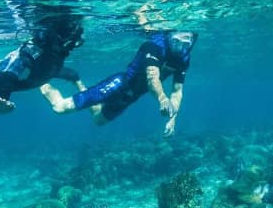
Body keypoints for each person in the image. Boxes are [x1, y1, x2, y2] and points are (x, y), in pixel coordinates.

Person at [40, 30, 196, 137]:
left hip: (131, 96)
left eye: (186, 43)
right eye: (176, 41)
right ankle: (40, 79)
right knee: (59, 108)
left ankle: (76, 80)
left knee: (98, 120)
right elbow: (152, 78)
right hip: (119, 84)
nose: (180, 47)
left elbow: (177, 91)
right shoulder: (154, 46)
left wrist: (172, 118)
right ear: (169, 36)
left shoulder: (183, 59)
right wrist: (162, 98)